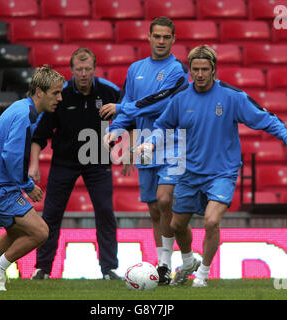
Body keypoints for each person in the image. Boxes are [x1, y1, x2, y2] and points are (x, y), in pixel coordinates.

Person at [136, 45, 287, 287]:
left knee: (211, 221)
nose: (199, 74)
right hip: (189, 172)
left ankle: (202, 276)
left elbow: (265, 118)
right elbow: (162, 125)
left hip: (222, 173)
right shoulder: (181, 98)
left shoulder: (231, 97)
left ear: (213, 70)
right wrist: (150, 144)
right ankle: (188, 262)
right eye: (195, 69)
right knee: (176, 225)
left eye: (204, 69)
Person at [100, 16, 189, 285]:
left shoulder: (178, 69)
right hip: (144, 147)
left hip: (171, 142)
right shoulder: (135, 69)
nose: (161, 41)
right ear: (149, 37)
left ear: (173, 40)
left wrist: (122, 110)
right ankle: (170, 265)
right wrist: (115, 130)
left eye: (166, 37)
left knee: (165, 201)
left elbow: (160, 103)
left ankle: (168, 263)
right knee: (153, 207)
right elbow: (127, 102)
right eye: (157, 36)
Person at [0, 65, 65, 291]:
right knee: (40, 232)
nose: (59, 98)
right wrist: (27, 186)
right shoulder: (24, 114)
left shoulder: (22, 108)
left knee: (16, 231)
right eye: (55, 93)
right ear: (39, 92)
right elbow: (11, 155)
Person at [29, 48, 121, 280]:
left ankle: (109, 269)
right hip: (64, 161)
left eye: (87, 69)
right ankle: (43, 268)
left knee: (105, 212)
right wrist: (34, 165)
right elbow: (39, 135)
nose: (83, 73)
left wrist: (128, 147)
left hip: (98, 161)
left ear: (94, 69)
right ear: (71, 70)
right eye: (78, 69)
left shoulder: (109, 92)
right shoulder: (61, 95)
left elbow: (130, 116)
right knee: (51, 213)